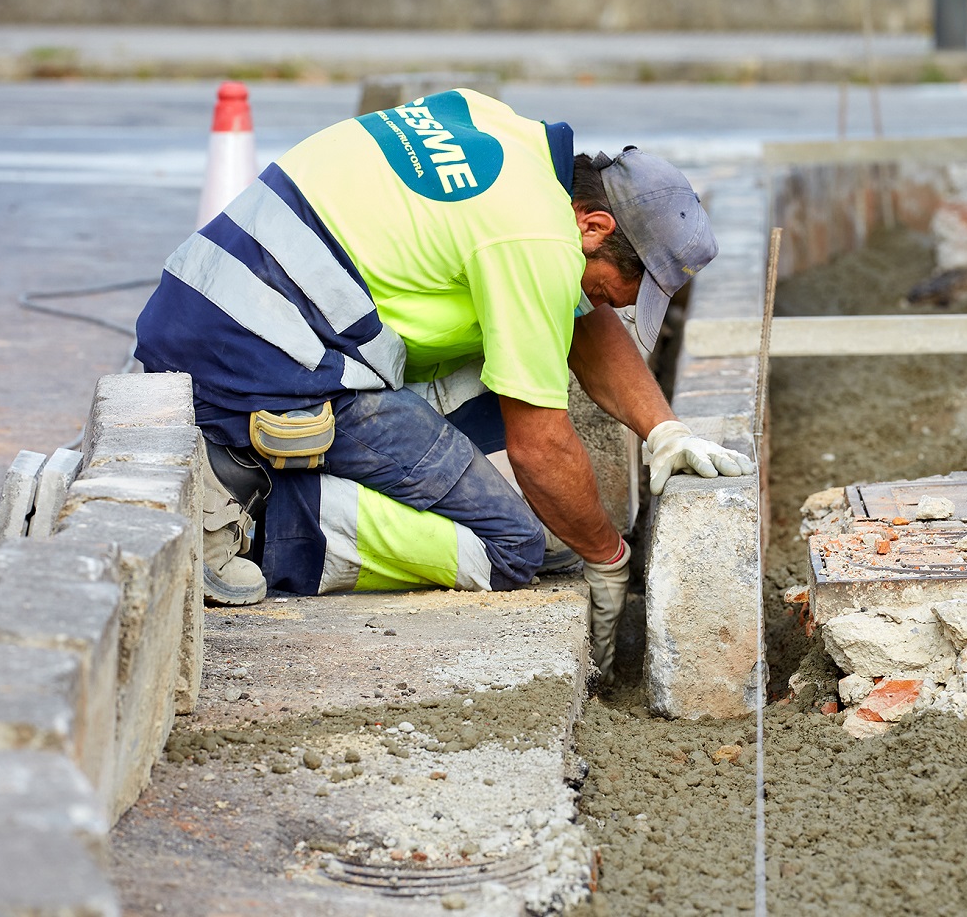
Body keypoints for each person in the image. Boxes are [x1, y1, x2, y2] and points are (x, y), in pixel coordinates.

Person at [134, 88, 752, 677]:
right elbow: (540, 443)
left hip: (209, 312)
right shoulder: (533, 241)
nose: (615, 308)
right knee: (512, 547)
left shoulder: (510, 143)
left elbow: (581, 321)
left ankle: (262, 467)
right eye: (621, 291)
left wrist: (663, 430)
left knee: (551, 497)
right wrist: (607, 558)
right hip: (261, 359)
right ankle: (255, 517)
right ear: (594, 228)